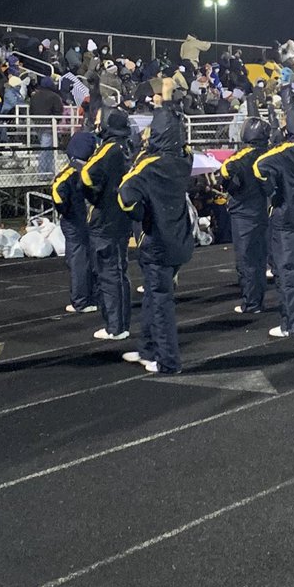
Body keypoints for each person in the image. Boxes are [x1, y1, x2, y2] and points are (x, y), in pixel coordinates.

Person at [118, 82, 193, 373]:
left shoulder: (150, 166)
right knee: (153, 295)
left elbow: (125, 194)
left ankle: (168, 361)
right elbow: (177, 137)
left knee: (161, 303)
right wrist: (167, 103)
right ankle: (147, 349)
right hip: (180, 240)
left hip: (158, 243)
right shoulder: (184, 160)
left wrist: (139, 214)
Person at [255, 98, 294, 338]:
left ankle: (291, 326)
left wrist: (271, 188)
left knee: (289, 272)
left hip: (285, 218)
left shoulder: (285, 152)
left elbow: (260, 165)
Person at [81, 106, 134, 340]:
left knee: (109, 273)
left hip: (105, 220)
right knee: (120, 272)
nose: (97, 123)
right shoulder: (127, 147)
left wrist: (93, 196)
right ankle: (121, 323)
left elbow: (87, 174)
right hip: (122, 218)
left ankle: (115, 326)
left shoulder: (109, 149)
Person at [219, 104, 272, 315]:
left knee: (246, 259)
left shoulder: (241, 157)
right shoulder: (268, 154)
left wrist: (232, 188)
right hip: (261, 209)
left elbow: (224, 171)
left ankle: (251, 303)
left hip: (243, 213)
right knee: (259, 258)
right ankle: (257, 299)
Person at [51, 132, 99, 315]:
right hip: (92, 220)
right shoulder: (93, 170)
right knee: (93, 259)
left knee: (77, 261)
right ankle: (94, 297)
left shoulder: (70, 171)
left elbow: (57, 191)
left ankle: (80, 301)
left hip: (75, 221)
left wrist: (65, 210)